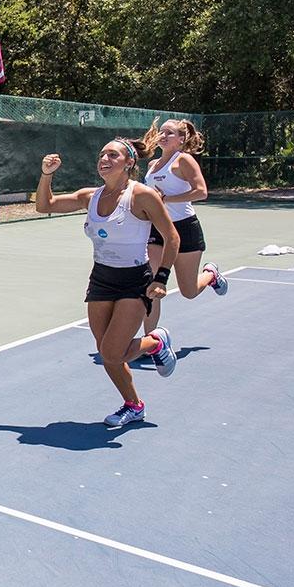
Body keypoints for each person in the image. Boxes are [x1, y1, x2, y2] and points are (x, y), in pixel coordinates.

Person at [35, 138, 180, 428]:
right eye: (102, 154)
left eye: (112, 154)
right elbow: (44, 205)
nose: (104, 158)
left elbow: (172, 236)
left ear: (128, 163)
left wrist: (161, 277)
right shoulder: (91, 196)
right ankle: (134, 405)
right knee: (107, 352)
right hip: (101, 279)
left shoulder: (142, 196)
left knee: (113, 352)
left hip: (133, 280)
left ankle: (155, 342)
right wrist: (47, 174)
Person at [139, 118, 228, 337]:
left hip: (185, 228)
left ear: (181, 140)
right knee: (151, 283)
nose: (164, 135)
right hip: (158, 230)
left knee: (188, 291)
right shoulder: (152, 166)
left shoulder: (184, 160)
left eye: (170, 133)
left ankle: (211, 275)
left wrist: (166, 198)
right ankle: (151, 340)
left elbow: (201, 192)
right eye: (162, 132)